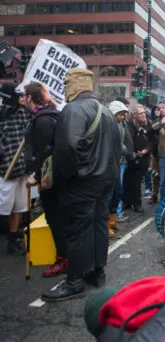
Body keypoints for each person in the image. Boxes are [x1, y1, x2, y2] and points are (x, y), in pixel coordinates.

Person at [42, 68, 121, 302]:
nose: (65, 86)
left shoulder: (73, 110)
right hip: (104, 179)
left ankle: (75, 281)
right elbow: (117, 149)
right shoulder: (106, 112)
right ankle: (97, 271)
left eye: (67, 82)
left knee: (78, 230)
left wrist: (65, 179)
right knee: (98, 224)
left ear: (75, 84)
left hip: (82, 181)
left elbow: (66, 149)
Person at [23, 82, 66, 277]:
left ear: (30, 98)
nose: (22, 99)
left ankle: (63, 260)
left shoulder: (43, 120)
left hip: (51, 180)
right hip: (54, 177)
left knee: (56, 220)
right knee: (58, 219)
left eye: (24, 96)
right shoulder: (46, 116)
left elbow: (47, 153)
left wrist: (37, 177)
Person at [0, 82, 29, 255]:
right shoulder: (2, 115)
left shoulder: (24, 113)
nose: (22, 98)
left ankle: (13, 239)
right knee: (3, 206)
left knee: (17, 207)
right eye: (19, 96)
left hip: (21, 169)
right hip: (4, 169)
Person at [107, 100, 133, 237]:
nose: (123, 117)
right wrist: (127, 152)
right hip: (109, 164)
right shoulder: (108, 126)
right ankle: (106, 226)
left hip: (117, 162)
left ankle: (112, 222)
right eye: (121, 114)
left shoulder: (120, 125)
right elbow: (116, 143)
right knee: (110, 194)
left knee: (117, 192)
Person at [124, 105, 152, 213]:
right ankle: (127, 201)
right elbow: (127, 140)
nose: (143, 115)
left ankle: (137, 203)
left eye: (144, 113)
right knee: (128, 180)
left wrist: (146, 150)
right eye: (140, 113)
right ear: (135, 115)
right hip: (130, 155)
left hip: (142, 157)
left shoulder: (148, 124)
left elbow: (151, 140)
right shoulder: (129, 125)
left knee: (137, 181)